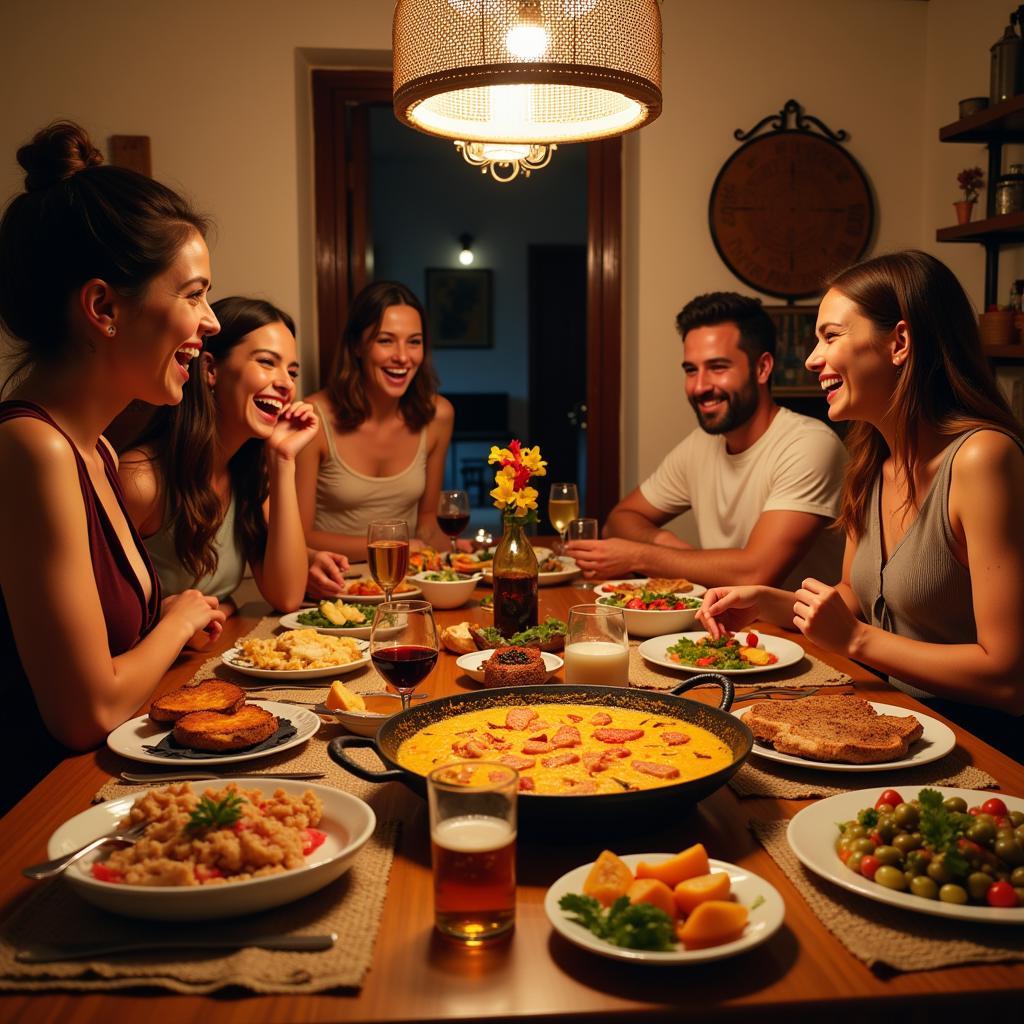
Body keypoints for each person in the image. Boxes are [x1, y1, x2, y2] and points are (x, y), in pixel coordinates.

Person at [699, 251, 1024, 755]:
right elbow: (856, 595)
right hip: (892, 720)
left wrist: (856, 642)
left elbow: (1007, 677)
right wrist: (769, 602)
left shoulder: (983, 458)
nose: (811, 358)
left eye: (830, 336)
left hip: (980, 746)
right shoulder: (874, 457)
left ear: (899, 342)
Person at [0, 121, 225, 809]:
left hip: (106, 793)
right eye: (192, 294)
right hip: (38, 818)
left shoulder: (93, 448)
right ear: (103, 307)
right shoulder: (30, 447)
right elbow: (86, 711)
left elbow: (116, 662)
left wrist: (177, 632)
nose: (210, 322)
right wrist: (177, 624)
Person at [568, 291, 847, 589]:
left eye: (717, 367)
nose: (699, 386)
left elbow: (756, 573)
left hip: (796, 634)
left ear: (762, 368)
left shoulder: (810, 444)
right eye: (691, 370)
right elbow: (621, 520)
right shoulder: (700, 445)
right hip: (725, 629)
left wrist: (639, 556)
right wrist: (673, 547)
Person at [118, 297, 348, 613]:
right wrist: (172, 619)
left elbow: (287, 596)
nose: (285, 384)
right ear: (211, 369)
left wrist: (282, 460)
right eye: (267, 362)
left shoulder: (248, 475)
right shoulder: (141, 480)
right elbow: (96, 616)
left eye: (292, 372)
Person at [296, 280, 455, 563]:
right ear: (357, 346)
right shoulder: (313, 417)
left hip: (407, 584)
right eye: (385, 340)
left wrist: (462, 552)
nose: (403, 357)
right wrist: (396, 543)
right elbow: (299, 535)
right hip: (334, 583)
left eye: (414, 342)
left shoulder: (438, 416)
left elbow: (427, 523)